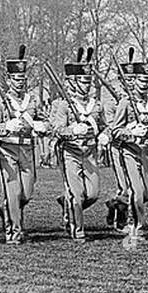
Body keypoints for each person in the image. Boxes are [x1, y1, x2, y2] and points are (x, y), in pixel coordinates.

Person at [0, 46, 47, 245]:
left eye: (22, 79)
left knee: (26, 193)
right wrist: (6, 126)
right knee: (13, 192)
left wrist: (41, 126)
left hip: (28, 149)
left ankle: (9, 211)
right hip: (7, 150)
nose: (20, 83)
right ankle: (13, 230)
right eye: (16, 79)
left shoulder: (33, 100)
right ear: (9, 79)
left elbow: (45, 122)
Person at [48, 48, 107, 242]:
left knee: (93, 193)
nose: (87, 85)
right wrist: (72, 130)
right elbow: (56, 129)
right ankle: (77, 229)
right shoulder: (64, 105)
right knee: (77, 194)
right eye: (83, 81)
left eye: (89, 81)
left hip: (89, 152)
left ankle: (68, 204)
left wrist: (104, 135)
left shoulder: (95, 104)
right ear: (73, 82)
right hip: (70, 152)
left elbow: (104, 126)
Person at [107, 47, 148, 239]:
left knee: (147, 193)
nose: (144, 84)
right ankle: (136, 226)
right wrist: (130, 132)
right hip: (129, 151)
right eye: (141, 80)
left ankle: (120, 207)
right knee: (136, 191)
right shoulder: (125, 102)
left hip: (147, 151)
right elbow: (115, 131)